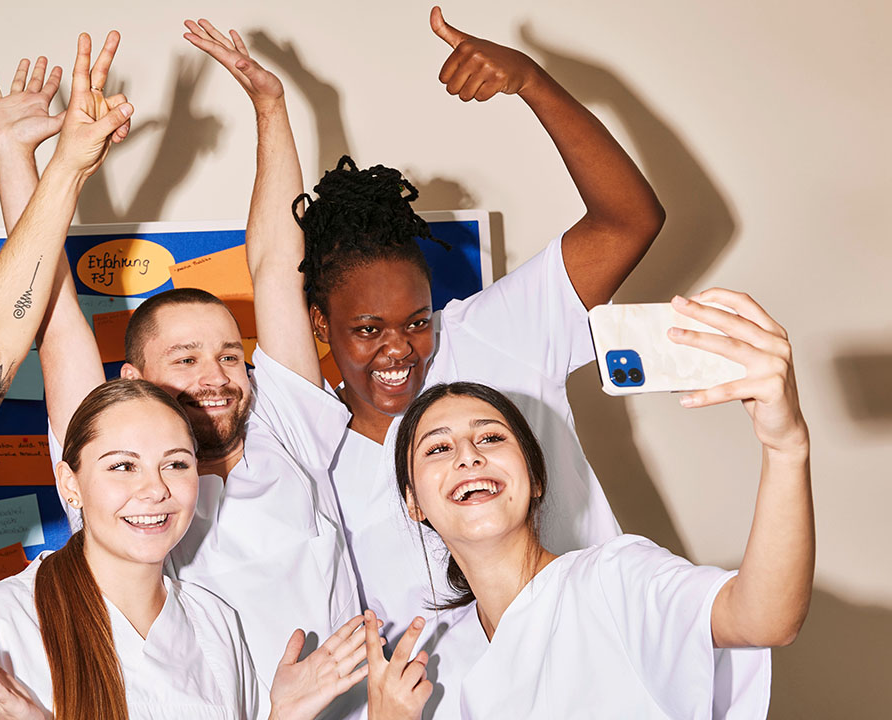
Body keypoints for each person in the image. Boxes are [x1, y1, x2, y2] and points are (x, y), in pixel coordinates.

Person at [182, 5, 666, 651]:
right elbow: (274, 265)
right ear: (320, 324)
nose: (398, 349)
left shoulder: (490, 337)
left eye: (415, 321)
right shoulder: (303, 440)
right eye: (366, 329)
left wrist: (533, 83)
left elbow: (629, 220)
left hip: (601, 668)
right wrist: (273, 108)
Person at [0, 26, 362, 717]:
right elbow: (54, 313)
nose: (216, 376)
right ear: (134, 379)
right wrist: (15, 159)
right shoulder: (123, 480)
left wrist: (271, 108)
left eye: (230, 355)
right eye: (185, 360)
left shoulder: (286, 427)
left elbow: (276, 261)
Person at [370, 290, 805, 718]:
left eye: (490, 437)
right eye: (438, 449)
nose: (468, 454)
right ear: (414, 503)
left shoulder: (614, 580)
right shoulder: (431, 665)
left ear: (536, 478)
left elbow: (764, 619)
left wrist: (786, 447)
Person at [0, 379, 372, 720]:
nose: (155, 490)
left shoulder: (213, 621)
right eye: (123, 466)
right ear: (70, 484)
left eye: (176, 463)